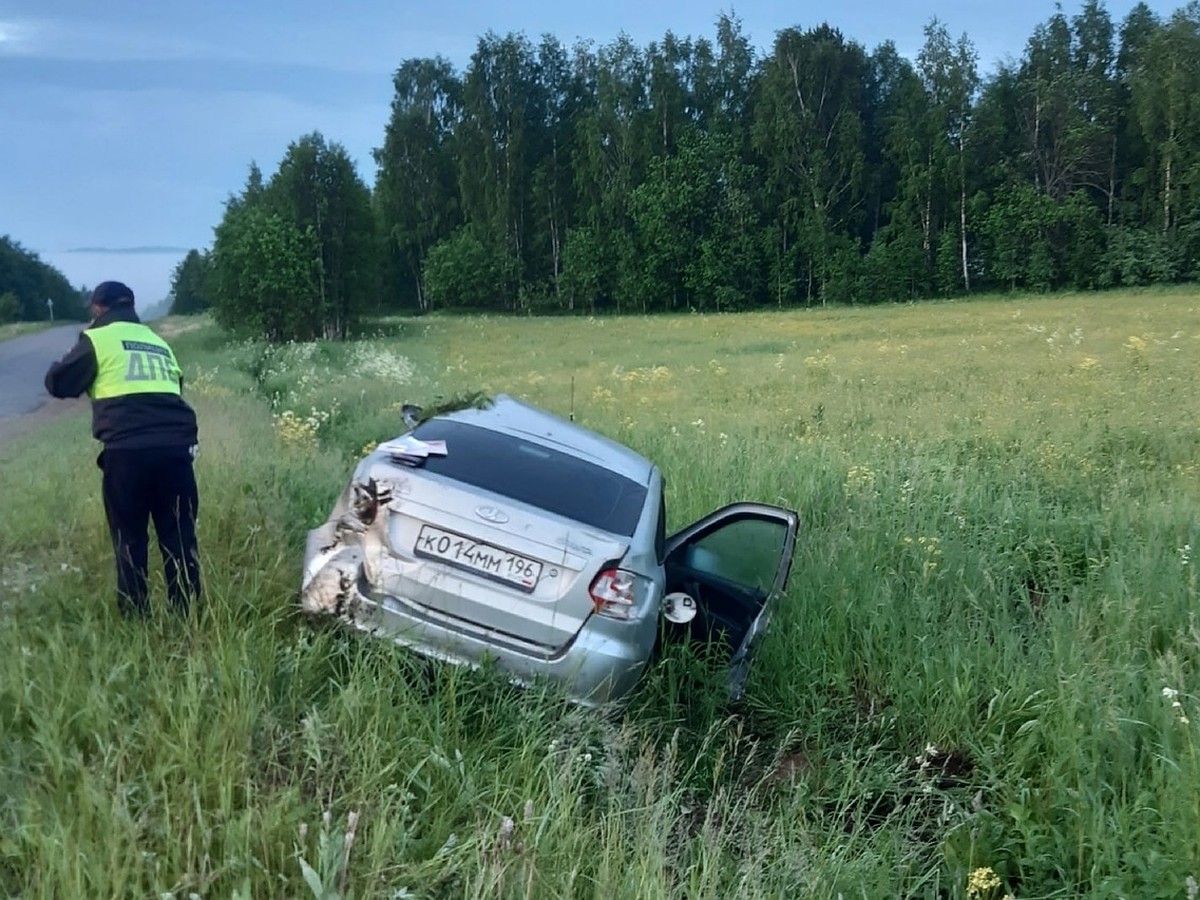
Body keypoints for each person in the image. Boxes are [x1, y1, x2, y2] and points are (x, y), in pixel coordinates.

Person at [44, 280, 202, 618]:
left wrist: (83, 342)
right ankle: (187, 618)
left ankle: (136, 619)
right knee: (180, 536)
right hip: (177, 449)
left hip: (127, 452)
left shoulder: (97, 339)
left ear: (98, 309)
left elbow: (59, 383)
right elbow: (174, 389)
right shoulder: (158, 342)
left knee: (130, 537)